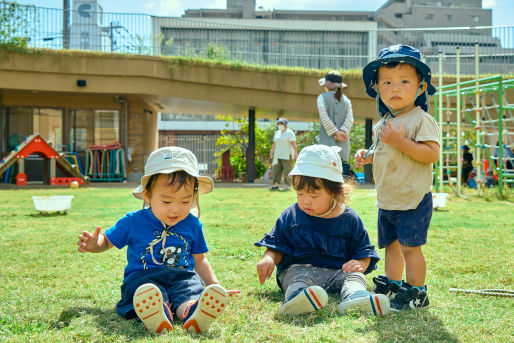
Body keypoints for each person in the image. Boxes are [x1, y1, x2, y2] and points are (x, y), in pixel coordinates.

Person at [77, 147, 228, 334]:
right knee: (147, 292)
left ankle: (191, 312)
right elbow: (107, 241)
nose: (176, 209)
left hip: (181, 276)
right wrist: (95, 244)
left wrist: (215, 286)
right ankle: (158, 312)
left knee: (190, 290)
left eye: (185, 202)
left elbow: (199, 260)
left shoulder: (192, 224)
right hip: (143, 278)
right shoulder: (133, 221)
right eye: (166, 202)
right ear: (148, 195)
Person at [256, 145, 390, 316]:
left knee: (355, 278)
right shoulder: (292, 215)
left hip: (338, 272)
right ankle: (298, 298)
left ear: (335, 192)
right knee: (297, 278)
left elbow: (362, 250)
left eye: (313, 196)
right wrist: (268, 258)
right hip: (299, 270)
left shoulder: (349, 218)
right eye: (300, 194)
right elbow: (278, 245)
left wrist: (360, 264)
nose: (305, 202)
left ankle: (356, 297)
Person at [355, 44, 440, 311]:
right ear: (377, 88)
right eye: (387, 82)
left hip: (413, 198)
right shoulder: (384, 123)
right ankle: (393, 284)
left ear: (421, 86)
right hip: (388, 198)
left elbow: (431, 154)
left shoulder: (420, 120)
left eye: (404, 81)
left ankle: (417, 291)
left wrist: (402, 142)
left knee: (410, 248)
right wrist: (367, 156)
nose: (395, 88)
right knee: (391, 247)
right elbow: (383, 151)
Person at [317, 70, 354, 177]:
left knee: (327, 174)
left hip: (326, 141)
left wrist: (334, 133)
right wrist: (342, 132)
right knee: (343, 173)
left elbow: (324, 117)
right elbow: (350, 118)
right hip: (343, 141)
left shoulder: (321, 97)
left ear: (326, 85)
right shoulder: (346, 100)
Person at [269, 117, 298, 190]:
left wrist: (295, 153)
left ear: (285, 124)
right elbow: (274, 143)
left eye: (281, 123)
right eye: (278, 123)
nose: (279, 125)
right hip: (277, 155)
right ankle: (276, 185)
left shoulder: (289, 133)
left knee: (287, 171)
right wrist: (271, 151)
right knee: (276, 170)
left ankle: (288, 185)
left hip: (287, 155)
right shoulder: (277, 133)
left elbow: (294, 144)